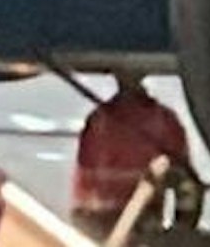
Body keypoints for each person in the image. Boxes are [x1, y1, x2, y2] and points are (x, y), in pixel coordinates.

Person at [72, 69, 203, 240]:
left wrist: (177, 233)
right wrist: (179, 231)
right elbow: (187, 187)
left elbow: (186, 184)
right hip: (102, 225)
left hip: (131, 224)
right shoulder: (100, 120)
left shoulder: (99, 119)